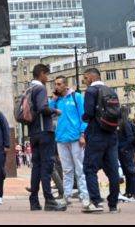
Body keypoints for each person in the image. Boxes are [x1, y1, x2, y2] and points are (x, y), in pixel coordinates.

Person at [81, 68, 121, 214]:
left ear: (92, 78)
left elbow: (89, 112)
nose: (84, 81)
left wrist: (84, 117)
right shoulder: (110, 90)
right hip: (111, 134)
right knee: (112, 171)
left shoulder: (91, 91)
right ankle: (113, 204)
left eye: (85, 78)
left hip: (96, 133)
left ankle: (96, 201)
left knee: (89, 168)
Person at [27, 64, 66, 212]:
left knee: (36, 166)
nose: (47, 78)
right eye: (46, 75)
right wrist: (55, 110)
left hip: (33, 132)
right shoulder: (40, 88)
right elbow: (42, 108)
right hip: (44, 131)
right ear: (41, 74)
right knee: (47, 165)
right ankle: (49, 200)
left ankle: (34, 201)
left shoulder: (29, 89)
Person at [49, 76, 88, 207]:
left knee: (80, 168)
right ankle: (67, 195)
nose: (56, 86)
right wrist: (53, 100)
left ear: (65, 85)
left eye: (59, 84)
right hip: (61, 138)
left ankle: (84, 194)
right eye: (55, 84)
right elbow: (48, 112)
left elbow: (84, 117)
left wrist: (82, 134)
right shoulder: (57, 100)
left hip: (75, 137)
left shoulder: (76, 97)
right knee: (67, 169)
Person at [117, 106, 135, 202]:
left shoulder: (125, 123)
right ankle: (129, 192)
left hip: (126, 151)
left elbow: (130, 138)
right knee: (127, 172)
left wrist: (123, 147)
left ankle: (133, 193)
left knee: (130, 172)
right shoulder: (124, 123)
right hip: (124, 151)